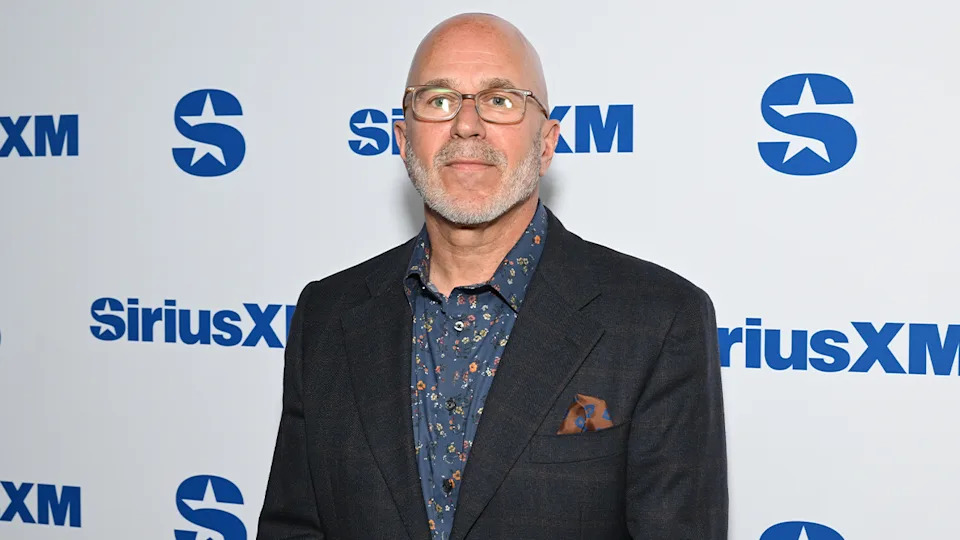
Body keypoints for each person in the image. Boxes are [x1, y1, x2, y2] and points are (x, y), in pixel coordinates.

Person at [257, 13, 727, 540]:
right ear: (403, 140)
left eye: (500, 100)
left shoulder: (659, 321)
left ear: (546, 143)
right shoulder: (327, 314)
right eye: (438, 100)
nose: (466, 125)